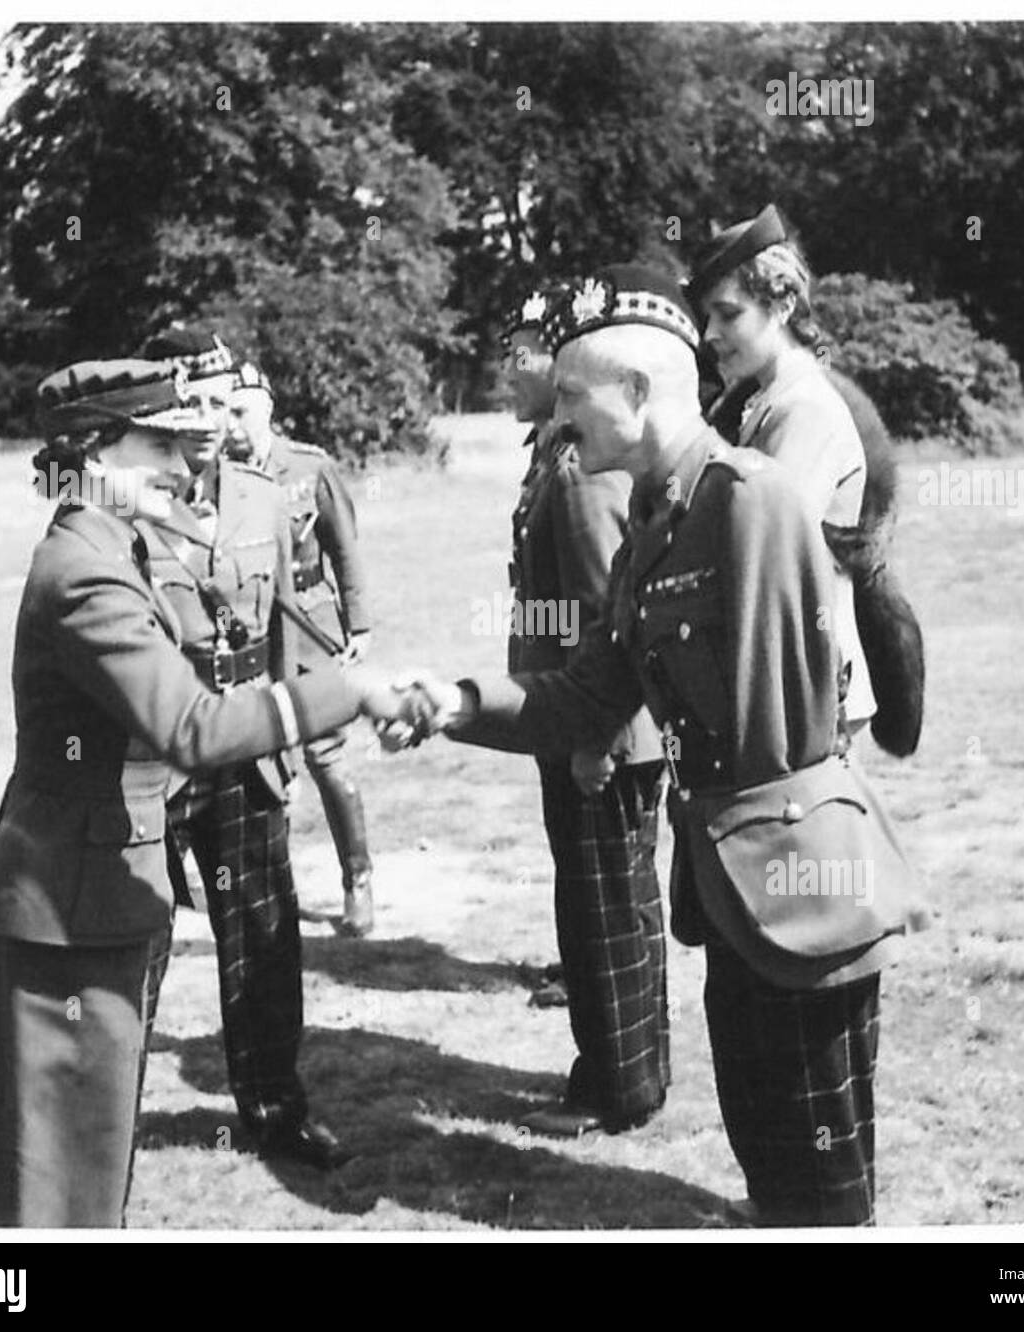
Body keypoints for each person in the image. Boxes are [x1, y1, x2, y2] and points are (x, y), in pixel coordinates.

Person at [391, 265, 928, 1226]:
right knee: (761, 1134)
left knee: (822, 1172)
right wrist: (457, 701)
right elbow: (589, 695)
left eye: (569, 397)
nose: (558, 419)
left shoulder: (746, 500)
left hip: (798, 887)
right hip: (730, 881)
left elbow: (794, 709)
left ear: (636, 394)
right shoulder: (653, 522)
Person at [0, 357, 406, 1227]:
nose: (181, 463)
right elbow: (192, 728)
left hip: (89, 895)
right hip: (69, 911)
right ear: (93, 452)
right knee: (51, 1178)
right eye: (158, 443)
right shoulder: (86, 570)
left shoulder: (113, 545)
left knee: (81, 1160)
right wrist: (349, 688)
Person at [133, 329, 349, 1166]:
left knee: (263, 934)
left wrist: (289, 748)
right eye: (197, 407)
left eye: (227, 404)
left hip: (250, 742)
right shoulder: (124, 498)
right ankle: (107, 1106)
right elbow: (50, 472)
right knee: (142, 935)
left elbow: (285, 624)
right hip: (163, 747)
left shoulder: (263, 494)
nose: (217, 421)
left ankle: (275, 1107)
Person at [495, 287, 669, 1137]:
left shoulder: (577, 469)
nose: (511, 371)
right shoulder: (556, 455)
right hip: (570, 717)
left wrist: (594, 738)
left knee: (605, 907)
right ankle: (621, 1068)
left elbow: (611, 609)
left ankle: (620, 1087)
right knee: (605, 901)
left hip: (596, 730)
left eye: (525, 355)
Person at [687, 206, 924, 752]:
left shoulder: (804, 408)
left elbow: (764, 552)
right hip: (787, 679)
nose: (710, 334)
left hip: (806, 686)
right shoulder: (759, 399)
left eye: (728, 315)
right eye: (707, 318)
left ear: (783, 303)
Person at [226, 363, 376, 937]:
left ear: (267, 407)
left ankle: (357, 879)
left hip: (310, 627)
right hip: (255, 635)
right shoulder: (222, 477)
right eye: (226, 412)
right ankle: (273, 892)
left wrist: (358, 626)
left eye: (242, 411)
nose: (232, 425)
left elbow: (346, 549)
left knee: (328, 758)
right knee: (264, 767)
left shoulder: (309, 468)